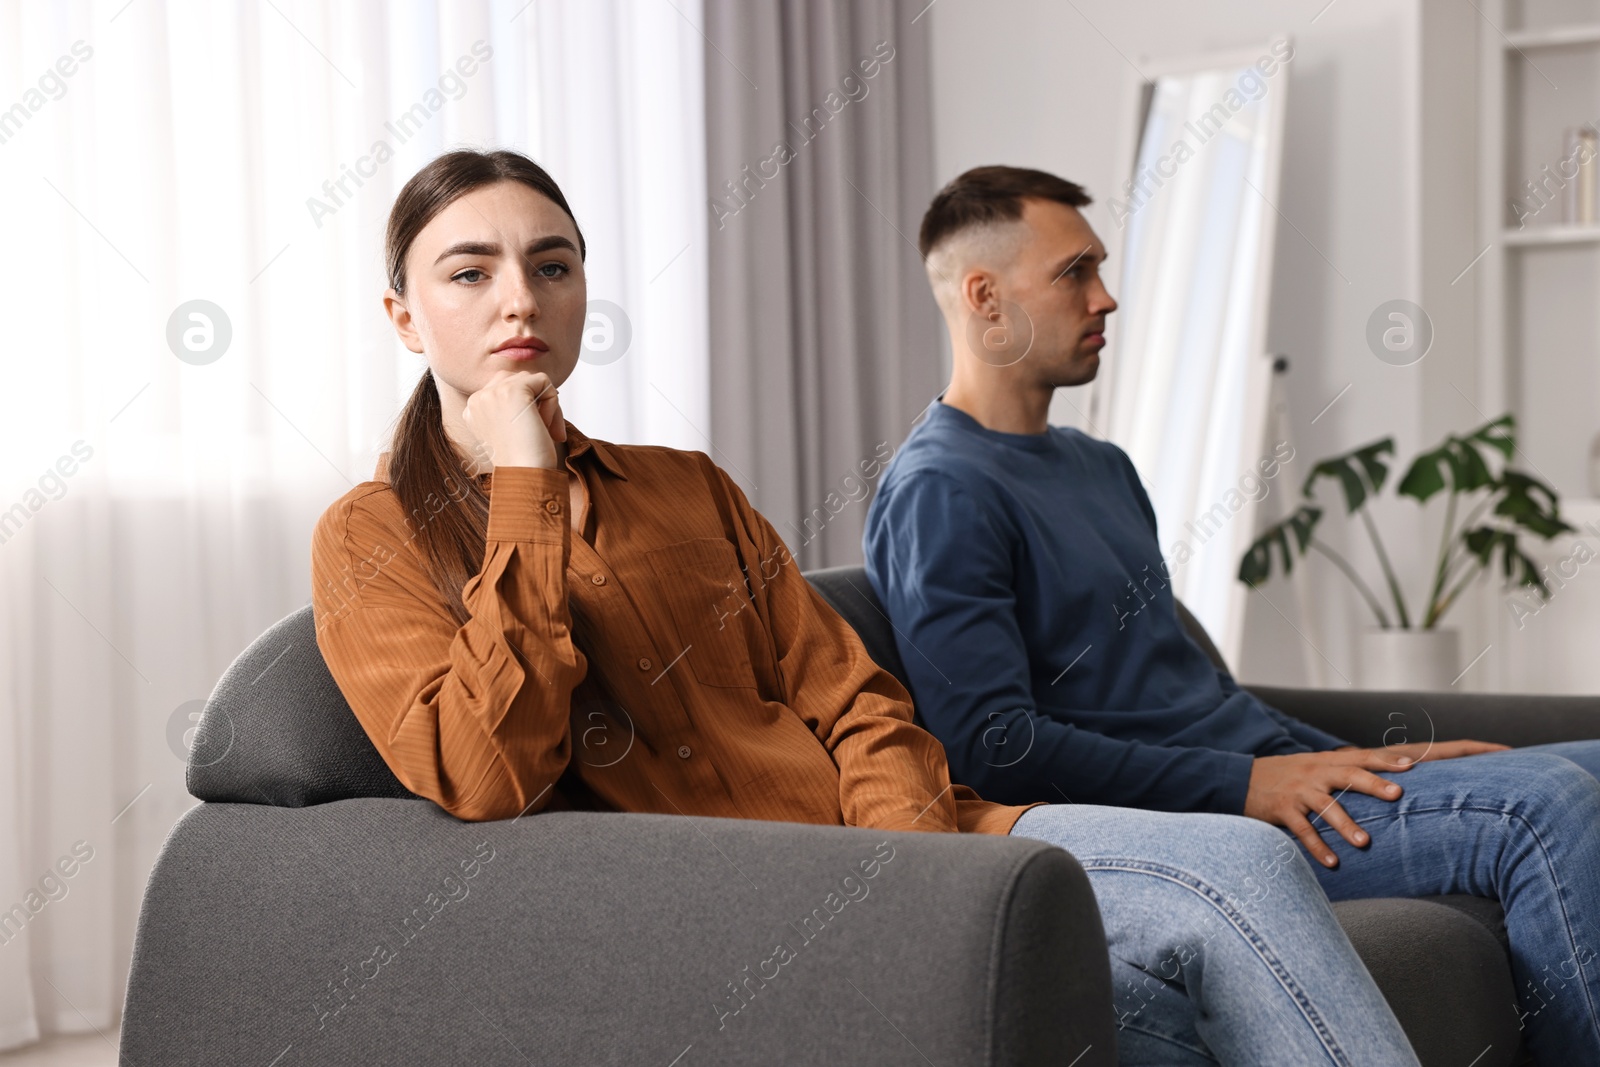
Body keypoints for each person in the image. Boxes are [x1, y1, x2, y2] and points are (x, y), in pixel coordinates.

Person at [309, 148, 1421, 1065]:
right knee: (1159, 1021)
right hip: (742, 910)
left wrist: (913, 877)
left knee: (1249, 864)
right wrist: (524, 488)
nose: (520, 298)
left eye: (551, 266)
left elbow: (851, 696)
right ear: (405, 316)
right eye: (470, 273)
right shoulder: (369, 535)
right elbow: (487, 771)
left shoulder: (686, 485)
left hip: (929, 847)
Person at [862, 163, 1600, 1062]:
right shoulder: (943, 489)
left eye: (1100, 268)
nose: (1107, 297)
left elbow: (1195, 690)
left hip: (1272, 781)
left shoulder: (1102, 466)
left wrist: (1345, 756)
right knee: (1546, 805)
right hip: (1210, 827)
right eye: (1074, 273)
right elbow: (990, 745)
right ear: (984, 296)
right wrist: (1246, 785)